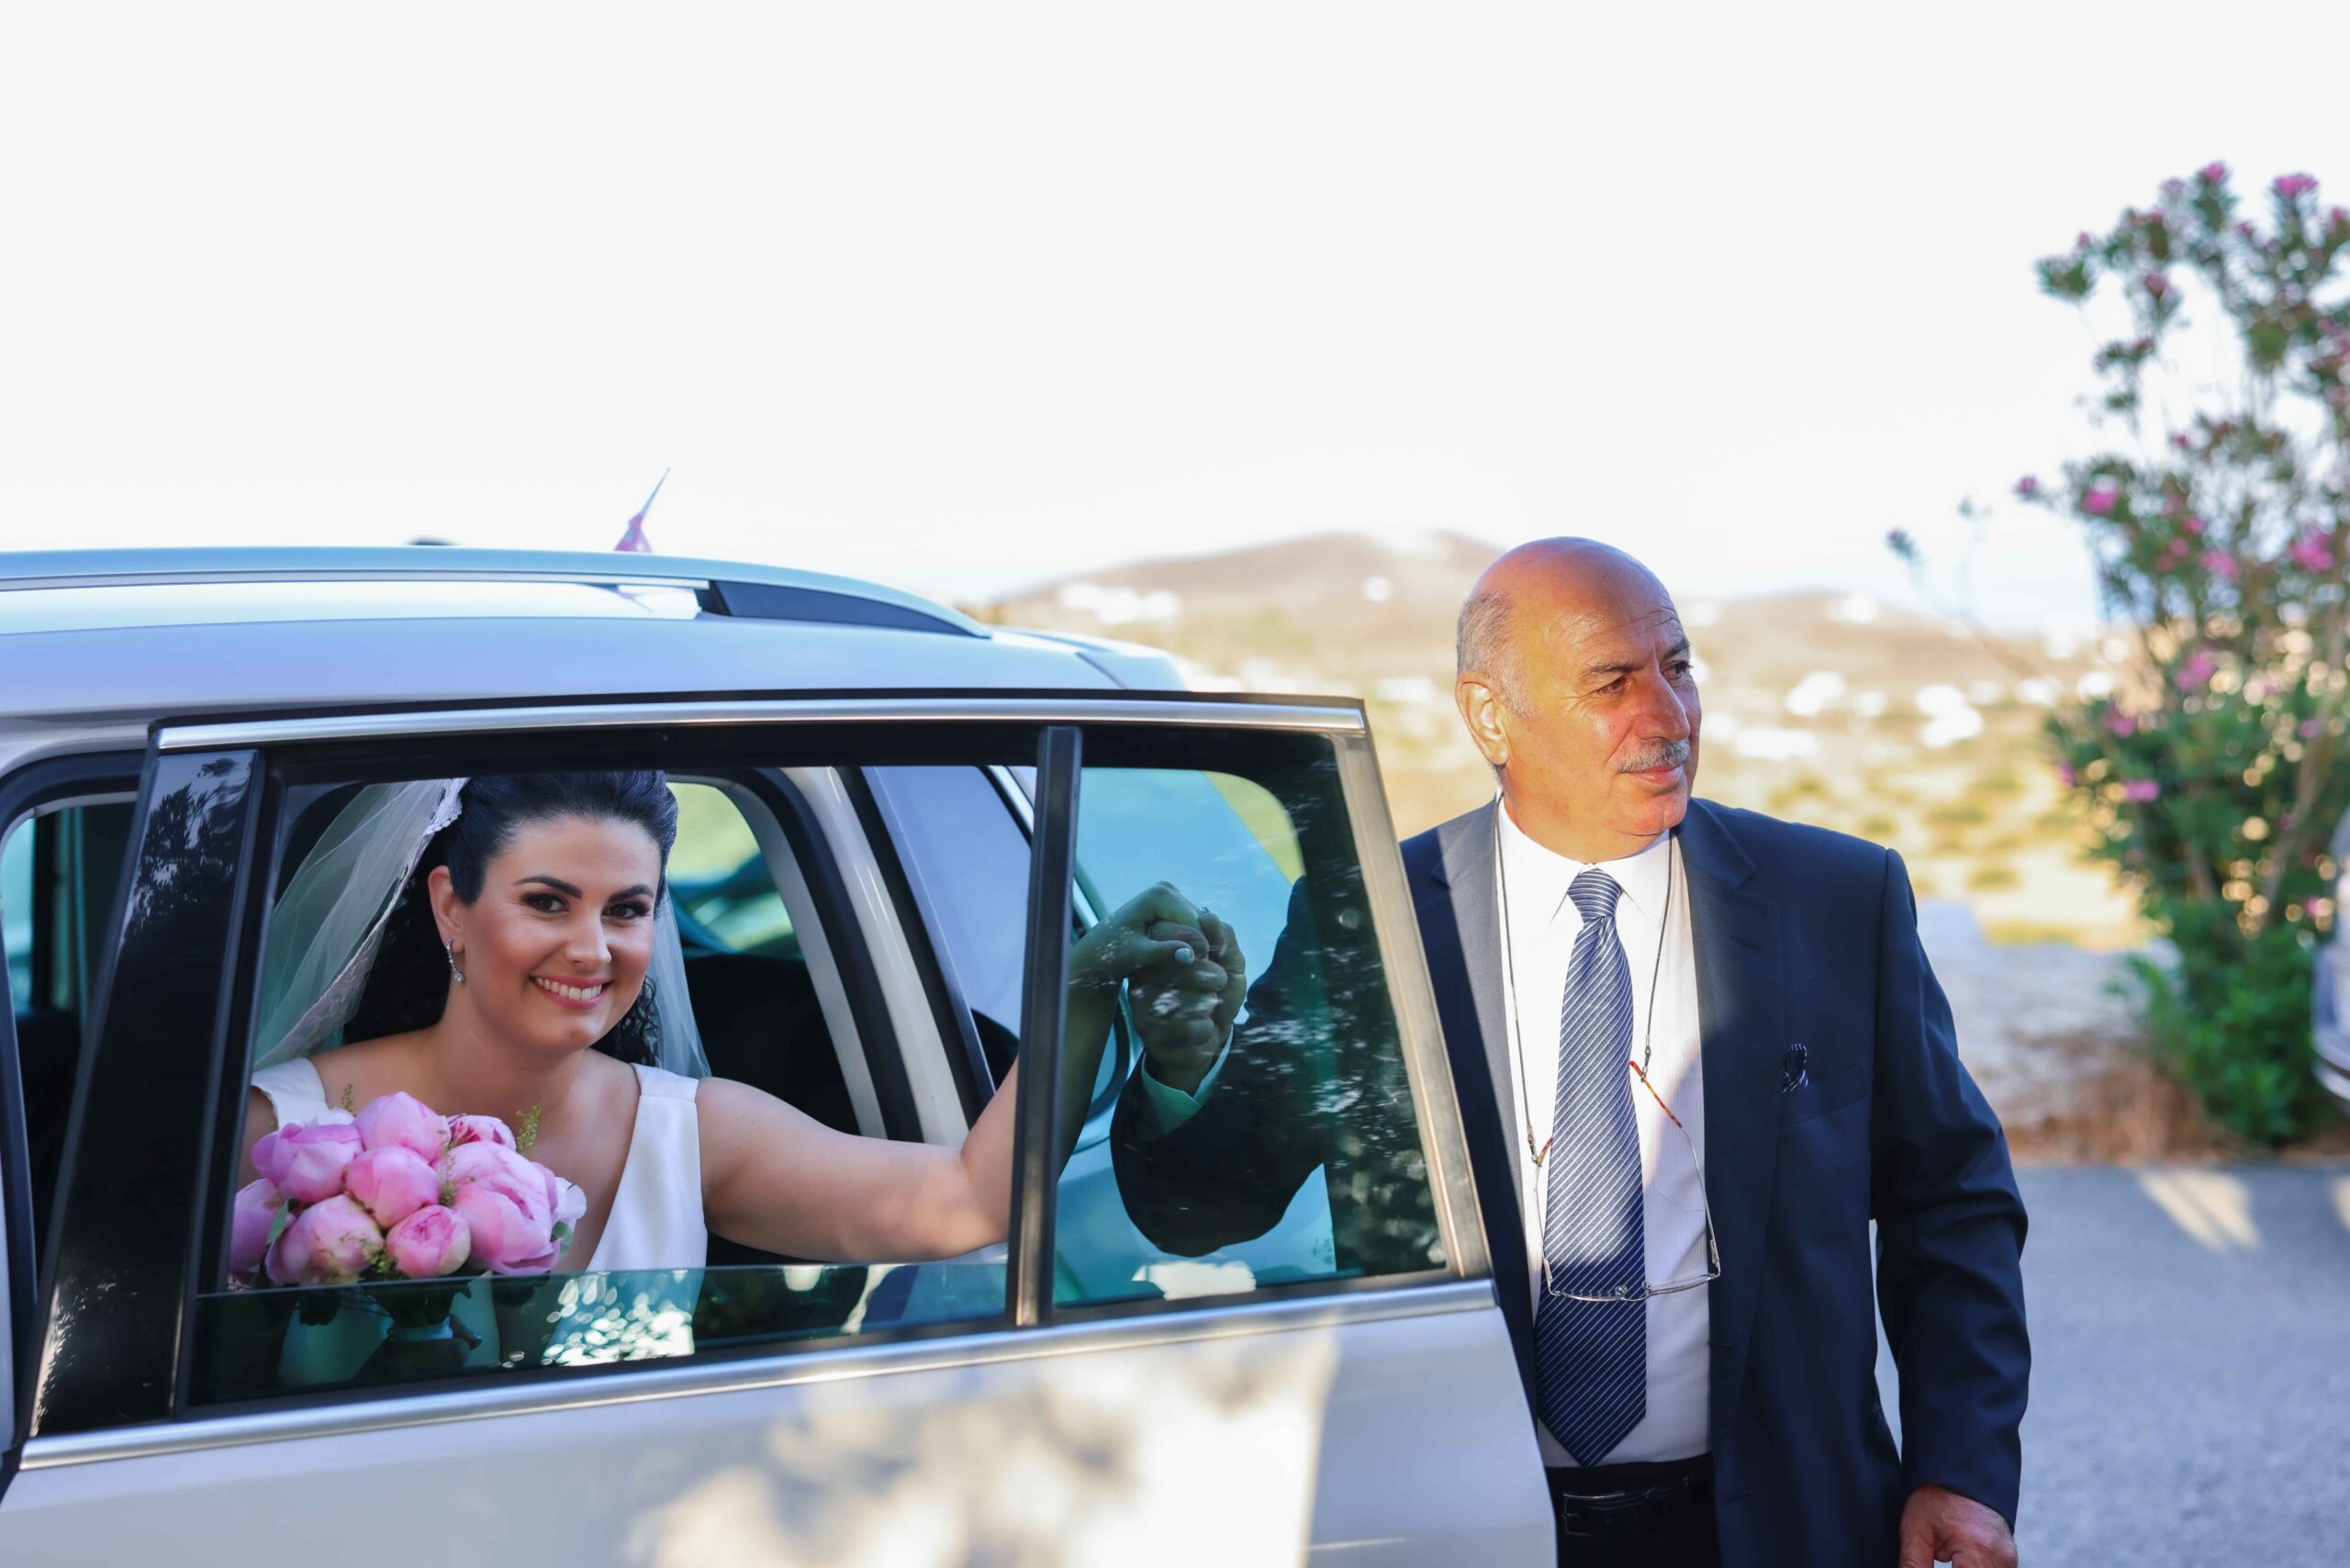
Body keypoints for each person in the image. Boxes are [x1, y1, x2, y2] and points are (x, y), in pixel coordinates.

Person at [1111, 540, 2029, 1568]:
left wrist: (1961, 1467)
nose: (1669, 716)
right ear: (1490, 716)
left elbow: (1949, 1197)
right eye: (1612, 683)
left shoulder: (1833, 900)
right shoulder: (1367, 920)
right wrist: (1178, 1074)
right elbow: (1215, 1204)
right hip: (1475, 1528)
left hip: (1782, 1523)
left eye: (1677, 668)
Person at [239, 770, 1201, 1282]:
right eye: (547, 902)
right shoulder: (280, 1131)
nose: (593, 949)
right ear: (452, 905)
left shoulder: (695, 1134)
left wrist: (1080, 989)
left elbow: (968, 1202)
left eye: (627, 910)